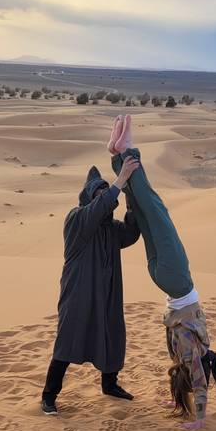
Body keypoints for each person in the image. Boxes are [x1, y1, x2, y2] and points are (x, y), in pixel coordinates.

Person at [108, 115, 216, 430]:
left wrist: (199, 420)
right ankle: (118, 157)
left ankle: (126, 154)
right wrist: (178, 400)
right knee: (145, 216)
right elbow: (186, 375)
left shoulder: (191, 347)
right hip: (163, 282)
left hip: (177, 280)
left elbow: (199, 383)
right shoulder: (182, 353)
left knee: (156, 210)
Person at [41, 158, 141, 415]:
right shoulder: (76, 219)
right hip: (79, 293)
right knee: (68, 339)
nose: (103, 197)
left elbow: (131, 233)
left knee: (112, 334)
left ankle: (110, 384)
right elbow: (97, 209)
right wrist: (121, 180)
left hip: (107, 293)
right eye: (98, 193)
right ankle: (49, 395)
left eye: (105, 192)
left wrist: (132, 198)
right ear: (88, 197)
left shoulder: (111, 228)